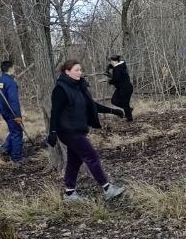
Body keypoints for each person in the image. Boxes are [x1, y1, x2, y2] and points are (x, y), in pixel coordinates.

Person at [46, 59, 125, 202]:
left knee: (74, 161)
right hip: (67, 131)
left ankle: (69, 194)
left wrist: (113, 111)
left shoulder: (79, 87)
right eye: (76, 70)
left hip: (78, 129)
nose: (80, 73)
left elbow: (92, 105)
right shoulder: (61, 89)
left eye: (80, 70)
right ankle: (108, 189)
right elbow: (55, 112)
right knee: (91, 156)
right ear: (67, 72)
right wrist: (52, 132)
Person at [0, 58, 24, 162]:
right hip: (11, 111)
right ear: (10, 68)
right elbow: (13, 100)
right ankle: (16, 158)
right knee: (17, 132)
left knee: (13, 130)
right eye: (13, 68)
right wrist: (17, 115)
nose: (14, 69)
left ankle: (6, 148)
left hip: (2, 111)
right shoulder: (10, 82)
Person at [106, 54, 134, 122]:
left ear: (115, 61)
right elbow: (112, 68)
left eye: (111, 61)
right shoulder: (121, 65)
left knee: (125, 104)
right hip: (121, 88)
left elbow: (116, 79)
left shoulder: (118, 68)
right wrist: (108, 69)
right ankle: (128, 110)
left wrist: (110, 81)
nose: (111, 63)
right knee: (114, 101)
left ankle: (129, 119)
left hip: (125, 88)